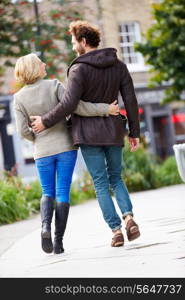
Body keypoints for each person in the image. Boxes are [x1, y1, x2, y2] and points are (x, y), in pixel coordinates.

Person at [31, 20, 141, 247]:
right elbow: (130, 99)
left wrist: (45, 121)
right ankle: (129, 217)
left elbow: (69, 104)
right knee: (116, 177)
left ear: (83, 41)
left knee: (100, 183)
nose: (73, 47)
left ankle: (116, 231)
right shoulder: (118, 65)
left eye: (73, 42)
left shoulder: (78, 69)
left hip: (88, 135)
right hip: (113, 131)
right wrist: (134, 132)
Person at [13, 53, 120, 254]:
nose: (44, 64)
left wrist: (36, 139)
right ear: (35, 69)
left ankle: (45, 226)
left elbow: (22, 131)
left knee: (47, 191)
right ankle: (58, 242)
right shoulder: (53, 86)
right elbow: (78, 107)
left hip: (42, 151)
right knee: (62, 192)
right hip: (65, 148)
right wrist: (106, 109)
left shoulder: (18, 98)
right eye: (40, 63)